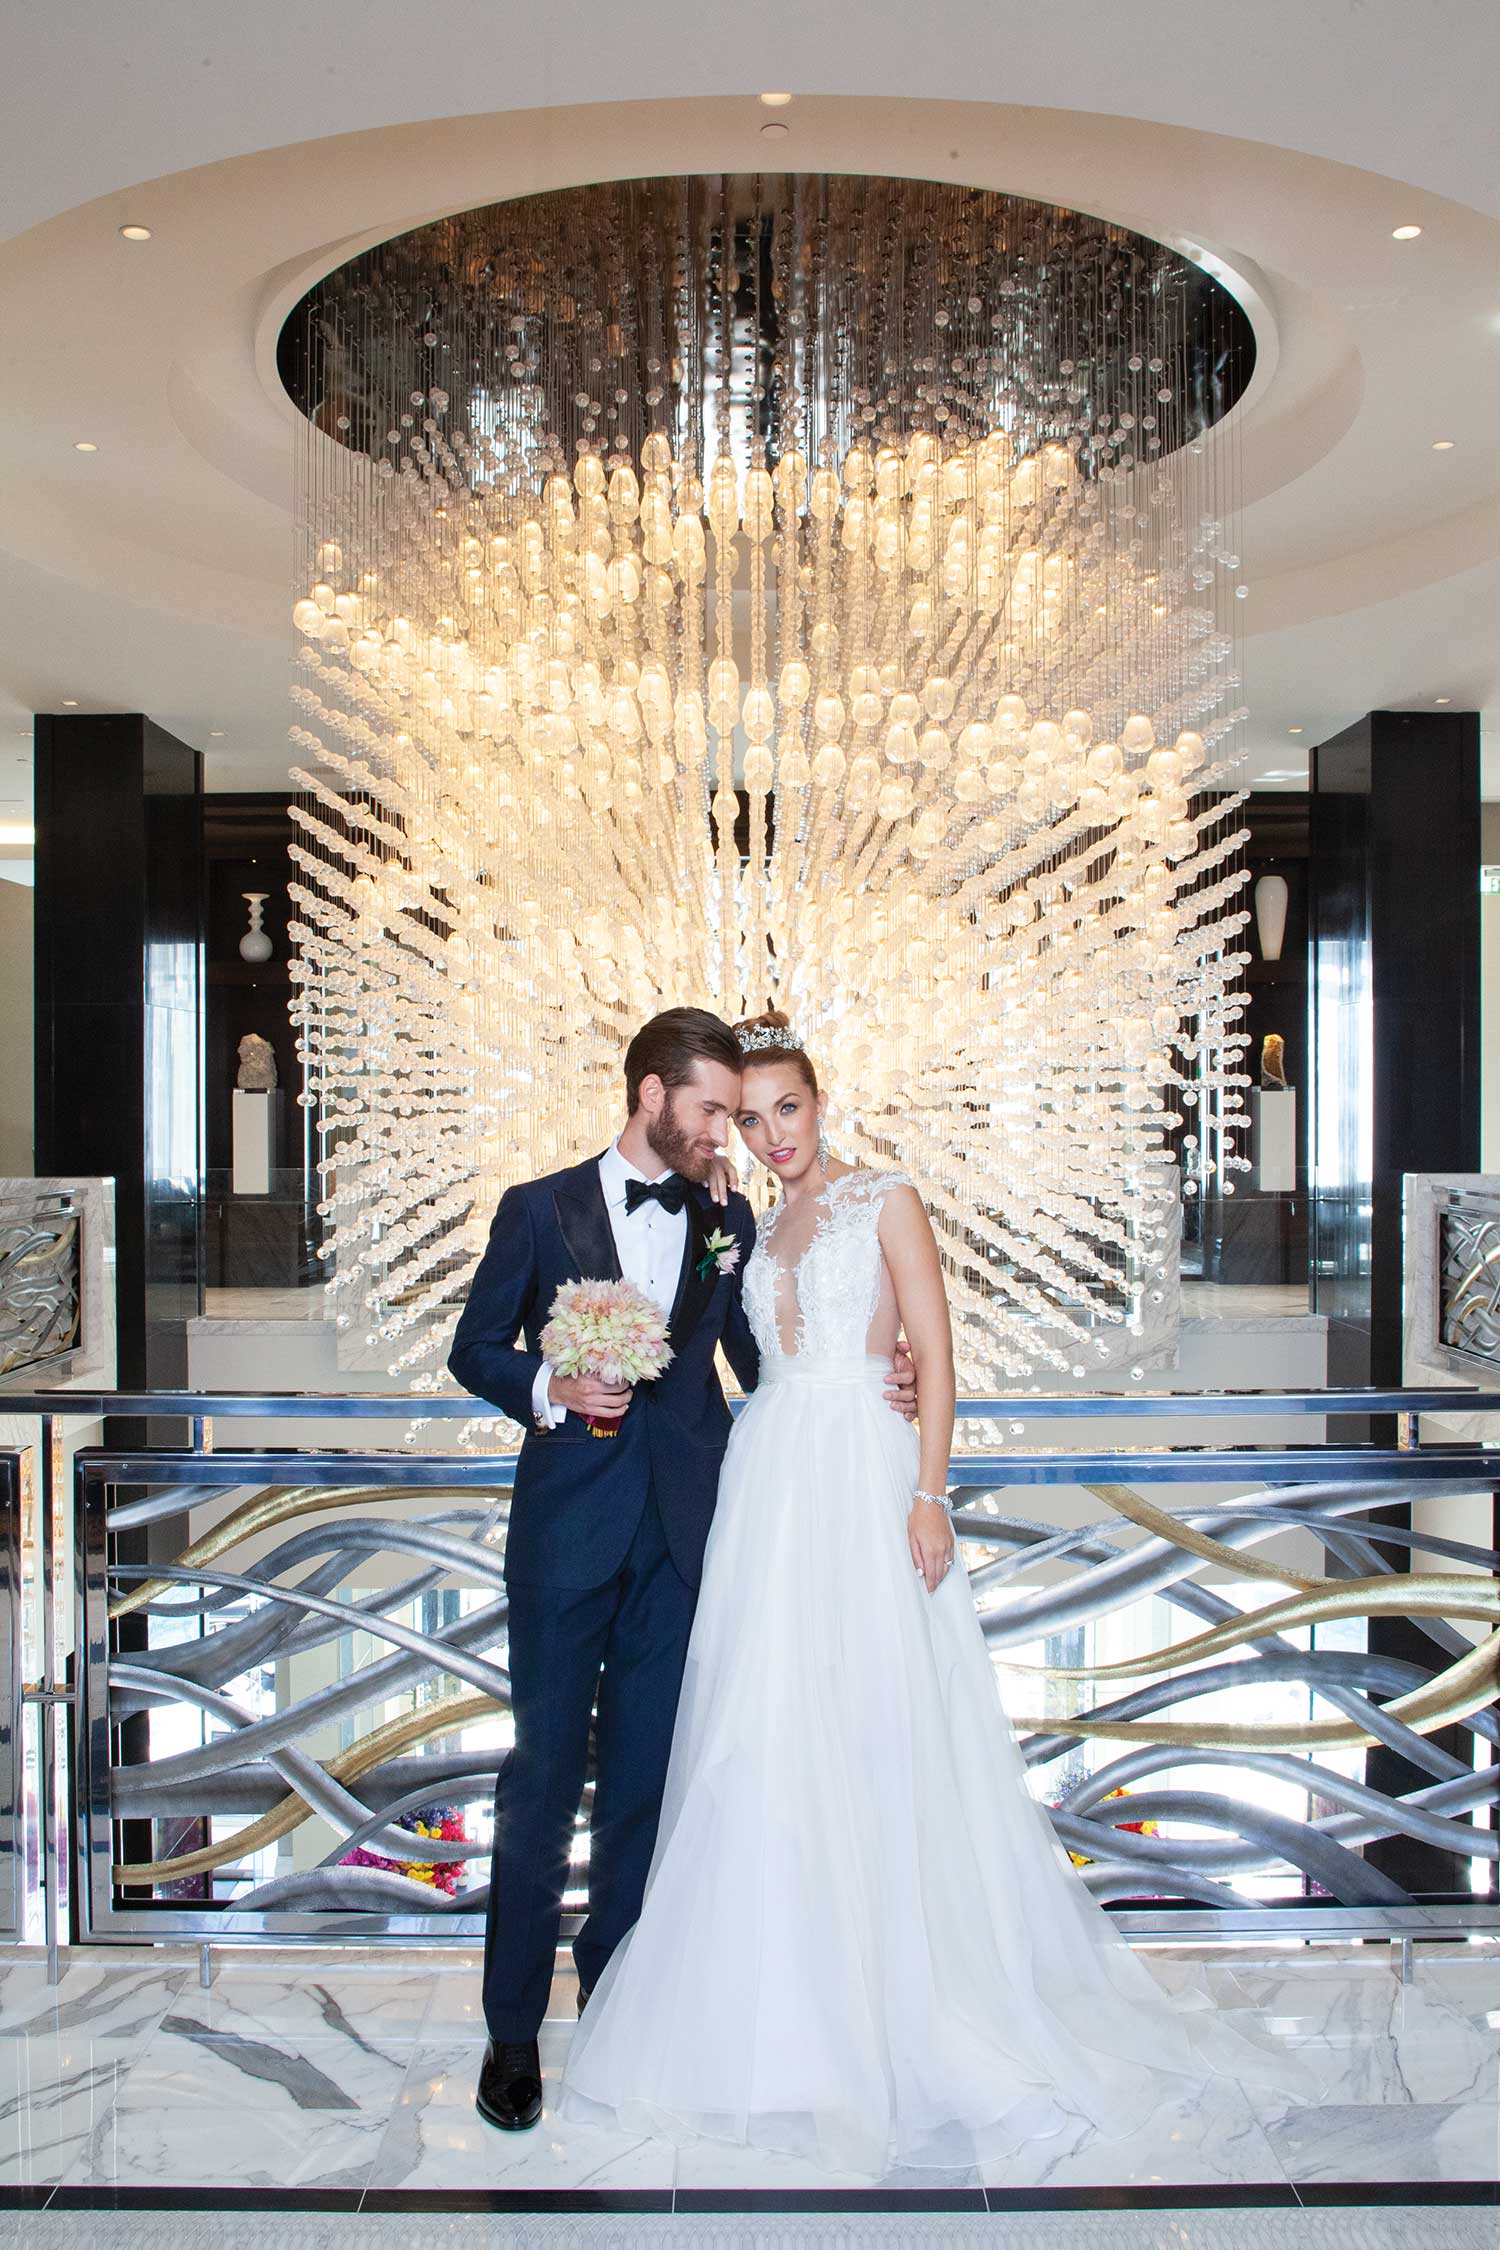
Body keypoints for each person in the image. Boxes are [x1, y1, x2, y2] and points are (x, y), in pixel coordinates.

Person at [559, 1011, 1309, 2176]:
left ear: (822, 1098)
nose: (769, 1137)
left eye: (786, 1110)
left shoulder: (888, 1196)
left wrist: (929, 1492)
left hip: (865, 1478)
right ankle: (781, 2016)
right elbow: (734, 1355)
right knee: (763, 1739)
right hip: (767, 1484)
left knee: (876, 1725)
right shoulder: (744, 1226)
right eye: (748, 1121)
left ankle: (904, 2005)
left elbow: (934, 1349)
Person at [447, 1006, 914, 2134]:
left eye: (740, 1113)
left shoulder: (729, 1216)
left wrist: (874, 1374)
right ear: (652, 1097)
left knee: (649, 1787)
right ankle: (514, 2032)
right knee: (543, 1778)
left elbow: (763, 1355)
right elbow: (474, 1348)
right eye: (710, 1110)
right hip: (565, 1535)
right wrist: (552, 1390)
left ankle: (619, 1995)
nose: (728, 1132)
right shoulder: (536, 1209)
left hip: (686, 1537)